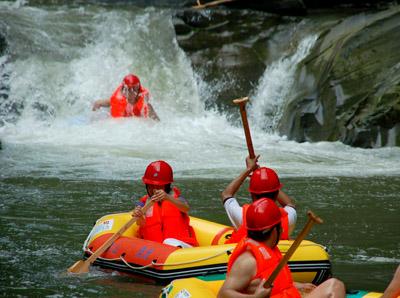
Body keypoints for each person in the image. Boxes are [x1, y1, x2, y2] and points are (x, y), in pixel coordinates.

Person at [218, 198, 346, 298]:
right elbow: (223, 295)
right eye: (280, 226)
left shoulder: (269, 249)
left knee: (330, 286)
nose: (283, 229)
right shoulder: (247, 261)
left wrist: (298, 286)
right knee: (334, 285)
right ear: (275, 230)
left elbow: (274, 282)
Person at [221, 155, 297, 243]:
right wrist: (269, 183)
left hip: (250, 254)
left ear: (252, 195)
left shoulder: (242, 216)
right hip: (276, 254)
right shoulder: (289, 217)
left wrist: (249, 169)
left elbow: (226, 194)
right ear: (276, 194)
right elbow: (290, 204)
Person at [132, 160, 198, 248]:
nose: (154, 189)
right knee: (166, 243)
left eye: (159, 186)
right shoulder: (143, 202)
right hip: (155, 249)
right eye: (151, 185)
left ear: (167, 186)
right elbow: (141, 223)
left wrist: (167, 197)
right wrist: (139, 216)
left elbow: (186, 208)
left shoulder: (176, 198)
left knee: (169, 242)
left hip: (181, 246)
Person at [92, 74, 160, 121]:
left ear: (139, 89)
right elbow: (98, 103)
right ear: (123, 91)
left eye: (135, 89)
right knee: (103, 104)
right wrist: (94, 116)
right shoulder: (118, 100)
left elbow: (156, 121)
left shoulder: (143, 98)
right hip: (119, 107)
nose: (132, 93)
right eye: (129, 90)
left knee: (149, 107)